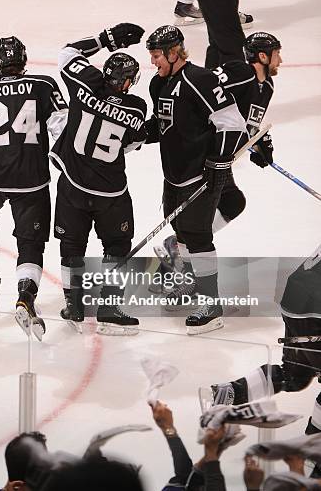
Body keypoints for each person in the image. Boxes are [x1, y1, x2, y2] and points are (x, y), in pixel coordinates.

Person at [153, 31, 282, 309]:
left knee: (231, 203)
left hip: (222, 157)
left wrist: (259, 143)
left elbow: (246, 121)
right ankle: (186, 270)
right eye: (276, 53)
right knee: (198, 226)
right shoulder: (239, 73)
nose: (280, 60)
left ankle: (179, 253)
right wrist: (215, 151)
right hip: (208, 157)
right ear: (262, 56)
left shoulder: (267, 86)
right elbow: (209, 97)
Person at [0, 36, 68, 341]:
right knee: (31, 241)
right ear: (24, 59)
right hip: (33, 180)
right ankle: (26, 297)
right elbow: (62, 128)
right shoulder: (44, 85)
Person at [145, 24, 247, 334]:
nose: (153, 62)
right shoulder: (157, 84)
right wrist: (133, 134)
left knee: (198, 236)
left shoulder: (201, 80)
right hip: (173, 176)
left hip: (200, 176)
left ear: (175, 52)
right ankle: (191, 286)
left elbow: (232, 123)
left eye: (157, 55)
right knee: (183, 234)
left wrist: (218, 162)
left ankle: (211, 306)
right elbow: (162, 125)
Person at [49, 23, 147, 335]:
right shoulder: (137, 107)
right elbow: (131, 145)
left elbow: (68, 53)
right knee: (117, 244)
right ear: (128, 82)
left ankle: (74, 305)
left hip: (73, 185)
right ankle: (109, 308)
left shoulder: (85, 81)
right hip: (110, 191)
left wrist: (107, 39)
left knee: (72, 244)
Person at [210, 244, 321, 476]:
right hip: (315, 309)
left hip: (294, 297)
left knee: (294, 375)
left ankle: (230, 391)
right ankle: (314, 452)